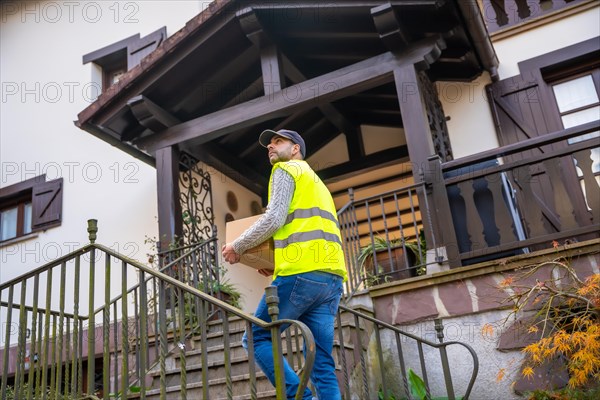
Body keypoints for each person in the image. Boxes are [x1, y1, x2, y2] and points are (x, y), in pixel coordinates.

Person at [222, 128, 347, 400]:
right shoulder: (316, 182)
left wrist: (237, 247)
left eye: (278, 141)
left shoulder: (285, 170)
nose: (270, 146)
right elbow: (305, 228)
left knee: (257, 337)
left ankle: (300, 397)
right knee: (321, 360)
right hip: (332, 278)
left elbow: (274, 219)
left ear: (295, 149)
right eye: (268, 143)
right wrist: (275, 261)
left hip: (301, 273)